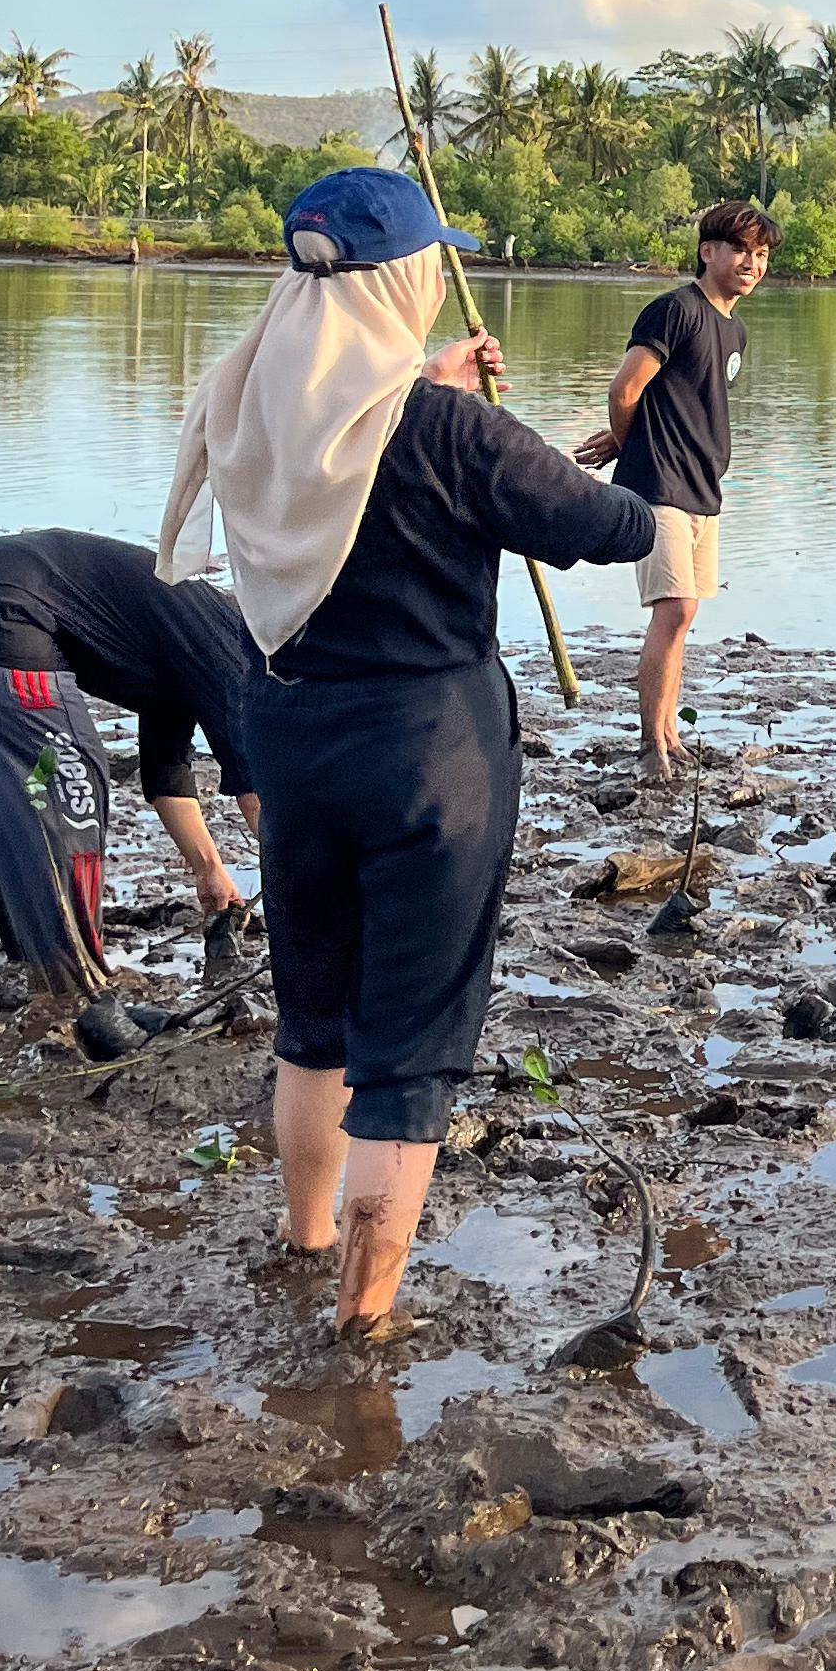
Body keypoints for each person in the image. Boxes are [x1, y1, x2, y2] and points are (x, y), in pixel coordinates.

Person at [160, 165, 657, 1334]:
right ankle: (364, 1318)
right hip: (432, 752)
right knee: (410, 1049)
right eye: (433, 265)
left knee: (314, 1019)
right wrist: (563, 448)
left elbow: (358, 443)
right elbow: (607, 526)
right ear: (401, 283)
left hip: (289, 732)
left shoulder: (251, 400)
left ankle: (308, 1241)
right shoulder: (446, 431)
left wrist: (446, 399)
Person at [0, 530, 264, 994]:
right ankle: (81, 987)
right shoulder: (235, 650)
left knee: (21, 793)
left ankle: (40, 963)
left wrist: (209, 871)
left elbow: (166, 773)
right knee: (70, 779)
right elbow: (261, 793)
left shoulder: (186, 648)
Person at [573, 199, 773, 787]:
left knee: (684, 617)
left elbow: (683, 402)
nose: (751, 263)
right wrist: (629, 443)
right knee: (675, 608)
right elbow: (626, 387)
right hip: (660, 484)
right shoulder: (674, 311)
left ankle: (670, 735)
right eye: (740, 249)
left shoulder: (734, 328)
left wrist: (622, 438)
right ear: (708, 251)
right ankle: (648, 747)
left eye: (760, 255)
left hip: (704, 489)